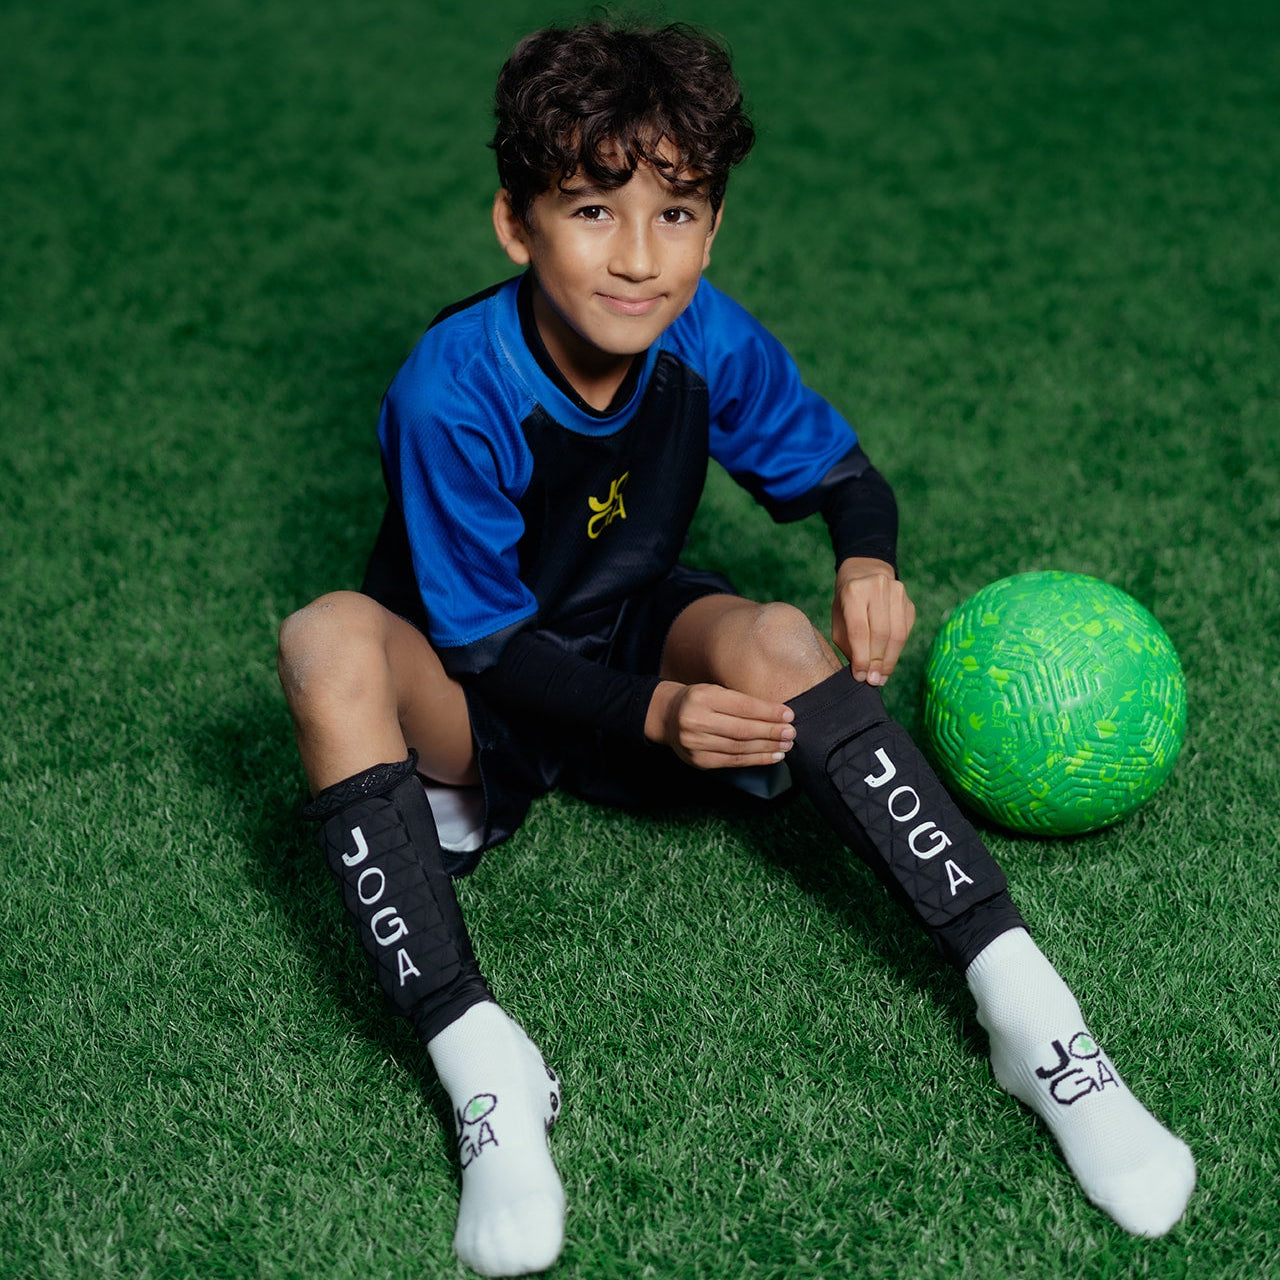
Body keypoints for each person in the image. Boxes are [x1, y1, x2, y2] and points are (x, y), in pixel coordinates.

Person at [277, 20, 1195, 1277]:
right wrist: (656, 713)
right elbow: (487, 651)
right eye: (591, 210)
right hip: (474, 697)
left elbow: (844, 478)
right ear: (515, 225)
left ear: (711, 229)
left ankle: (1032, 1017)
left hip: (630, 627)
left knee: (770, 632)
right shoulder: (452, 386)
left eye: (676, 213)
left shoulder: (701, 333)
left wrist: (863, 561)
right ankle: (483, 1066)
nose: (637, 257)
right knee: (323, 638)